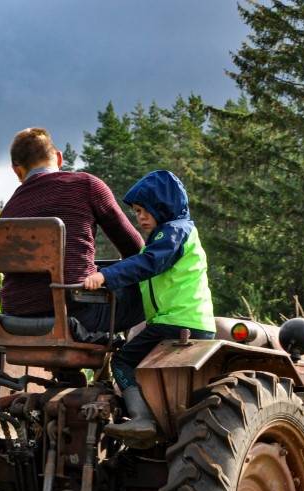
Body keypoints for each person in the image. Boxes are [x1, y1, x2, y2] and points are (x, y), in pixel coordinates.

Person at [83, 170, 215, 445]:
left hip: (179, 321)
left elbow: (147, 265)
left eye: (145, 211)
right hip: (182, 321)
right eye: (136, 212)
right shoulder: (168, 238)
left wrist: (107, 277)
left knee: (122, 361)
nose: (140, 218)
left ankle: (142, 418)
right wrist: (102, 271)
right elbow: (143, 266)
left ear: (162, 207)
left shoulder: (176, 232)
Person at [0, 127, 144, 334]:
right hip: (78, 313)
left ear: (17, 170)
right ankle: (129, 362)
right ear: (59, 158)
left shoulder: (9, 209)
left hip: (15, 317)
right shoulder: (86, 185)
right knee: (150, 289)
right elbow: (135, 248)